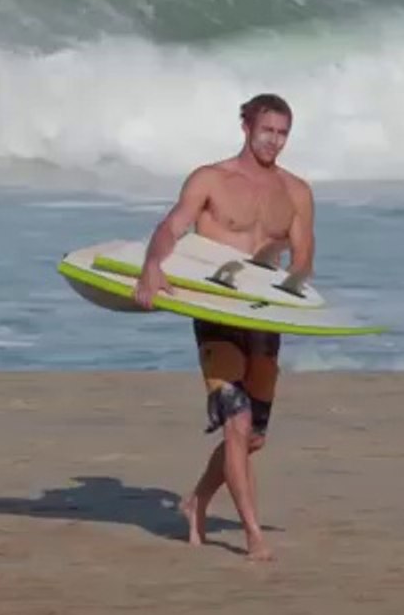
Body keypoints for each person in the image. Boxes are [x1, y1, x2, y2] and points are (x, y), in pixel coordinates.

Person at [133, 93, 314, 561]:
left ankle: (196, 502)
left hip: (264, 312)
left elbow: (304, 257)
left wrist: (293, 280)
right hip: (215, 309)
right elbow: (171, 227)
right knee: (235, 423)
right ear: (246, 128)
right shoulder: (211, 179)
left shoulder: (295, 192)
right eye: (267, 130)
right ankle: (254, 537)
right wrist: (153, 265)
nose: (274, 141)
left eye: (282, 133)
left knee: (253, 436)